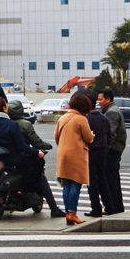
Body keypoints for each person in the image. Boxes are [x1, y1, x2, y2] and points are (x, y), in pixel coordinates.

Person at [0, 97, 41, 211]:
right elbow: (21, 146)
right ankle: (29, 191)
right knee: (38, 162)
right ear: (4, 108)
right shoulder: (12, 124)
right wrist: (36, 152)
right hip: (12, 160)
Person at [9, 99, 63, 218]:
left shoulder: (3, 123)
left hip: (3, 159)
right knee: (41, 176)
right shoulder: (24, 124)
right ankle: (53, 208)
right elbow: (36, 142)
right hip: (21, 160)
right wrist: (47, 146)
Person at [53, 93, 94, 225]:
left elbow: (56, 137)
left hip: (63, 154)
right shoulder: (81, 119)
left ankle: (68, 214)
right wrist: (92, 134)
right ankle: (72, 213)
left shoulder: (62, 118)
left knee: (66, 185)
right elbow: (88, 138)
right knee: (76, 184)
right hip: (76, 154)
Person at [83, 88, 113, 217]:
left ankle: (96, 209)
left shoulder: (86, 119)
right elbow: (109, 136)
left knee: (92, 182)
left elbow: (84, 138)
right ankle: (109, 207)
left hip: (91, 152)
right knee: (103, 180)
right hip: (103, 151)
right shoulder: (104, 118)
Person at [97, 89, 126, 215]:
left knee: (110, 179)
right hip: (115, 148)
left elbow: (110, 133)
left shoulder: (112, 112)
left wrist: (105, 150)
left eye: (101, 99)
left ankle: (113, 206)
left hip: (113, 149)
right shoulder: (112, 110)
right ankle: (118, 206)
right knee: (113, 178)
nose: (99, 102)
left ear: (108, 99)